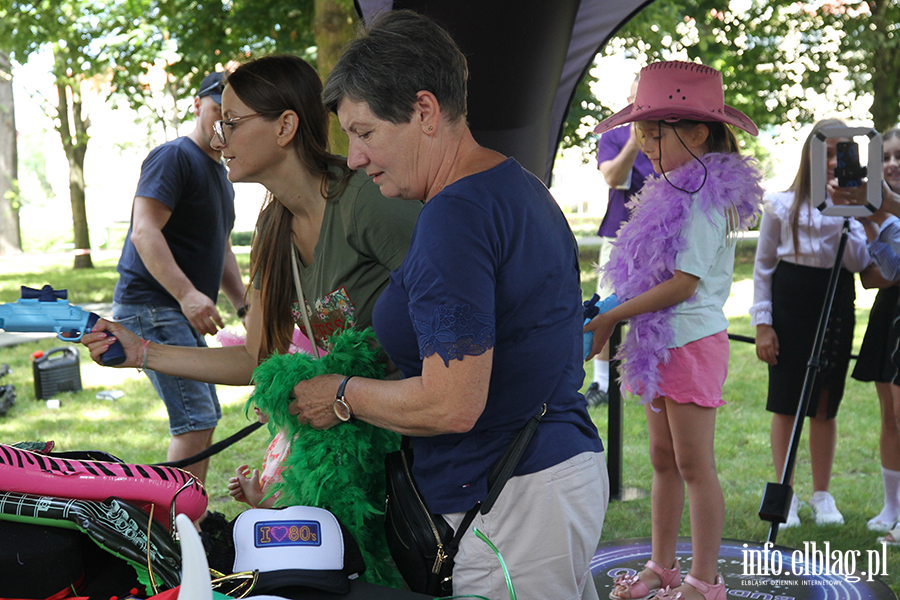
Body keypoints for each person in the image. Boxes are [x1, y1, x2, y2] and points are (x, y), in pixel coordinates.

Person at [291, 11, 608, 600]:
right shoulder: (516, 186)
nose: (355, 157)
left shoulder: (454, 217)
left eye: (364, 132)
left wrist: (340, 394)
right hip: (541, 486)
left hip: (509, 502)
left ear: (425, 111)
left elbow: (452, 403)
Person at [83, 57, 420, 432]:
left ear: (285, 127)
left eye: (230, 122)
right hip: (367, 441)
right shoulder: (273, 225)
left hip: (424, 439)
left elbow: (460, 312)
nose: (216, 138)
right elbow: (255, 357)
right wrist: (142, 352)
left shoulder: (367, 201)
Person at [586, 60, 763, 600]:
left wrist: (614, 316)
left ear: (698, 132)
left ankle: (704, 580)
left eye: (656, 133)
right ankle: (660, 567)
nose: (647, 144)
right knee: (662, 460)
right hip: (656, 343)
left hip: (690, 344)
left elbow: (683, 284)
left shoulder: (705, 197)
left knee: (693, 464)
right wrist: (608, 308)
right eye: (642, 133)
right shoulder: (665, 191)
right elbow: (645, 274)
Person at [112, 71, 246, 485]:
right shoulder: (173, 157)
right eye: (215, 111)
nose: (221, 123)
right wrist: (188, 294)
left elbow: (219, 246)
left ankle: (190, 520)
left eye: (232, 117)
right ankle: (170, 527)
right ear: (196, 105)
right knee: (195, 419)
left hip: (175, 310)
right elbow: (144, 230)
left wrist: (244, 304)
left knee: (204, 417)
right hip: (151, 307)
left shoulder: (223, 175)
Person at [750, 119, 871, 529]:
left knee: (824, 402)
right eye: (830, 151)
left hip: (835, 298)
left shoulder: (853, 207)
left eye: (845, 152)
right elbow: (763, 267)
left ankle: (823, 493)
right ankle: (788, 492)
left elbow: (858, 263)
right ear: (812, 154)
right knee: (786, 402)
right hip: (790, 299)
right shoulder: (781, 205)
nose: (837, 160)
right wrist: (763, 324)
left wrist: (851, 211)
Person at [586, 76, 654, 407]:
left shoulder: (667, 137)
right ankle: (601, 385)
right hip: (618, 235)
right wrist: (633, 141)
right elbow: (613, 177)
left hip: (658, 238)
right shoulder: (613, 135)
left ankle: (647, 377)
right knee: (607, 305)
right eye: (632, 100)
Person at [848, 128, 900, 533]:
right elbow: (873, 277)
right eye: (886, 157)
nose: (893, 165)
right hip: (889, 314)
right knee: (889, 415)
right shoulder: (875, 210)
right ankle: (891, 507)